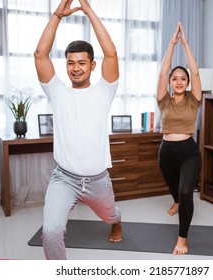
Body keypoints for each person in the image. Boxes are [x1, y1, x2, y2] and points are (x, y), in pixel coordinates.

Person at [34, 0, 122, 260]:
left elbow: (112, 54)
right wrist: (56, 16)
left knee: (110, 215)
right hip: (64, 179)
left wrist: (89, 11)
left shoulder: (104, 91)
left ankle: (117, 221)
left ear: (92, 65)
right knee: (50, 231)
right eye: (71, 63)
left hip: (98, 181)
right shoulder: (57, 92)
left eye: (82, 63)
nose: (76, 68)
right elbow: (40, 55)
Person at [156, 23, 202, 255]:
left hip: (188, 152)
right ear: (171, 83)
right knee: (175, 188)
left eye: (182, 78)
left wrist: (185, 45)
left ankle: (182, 238)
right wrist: (171, 44)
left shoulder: (194, 99)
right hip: (166, 152)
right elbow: (162, 72)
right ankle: (175, 201)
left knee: (186, 193)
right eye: (175, 78)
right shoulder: (163, 99)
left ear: (187, 83)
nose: (179, 81)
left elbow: (195, 72)